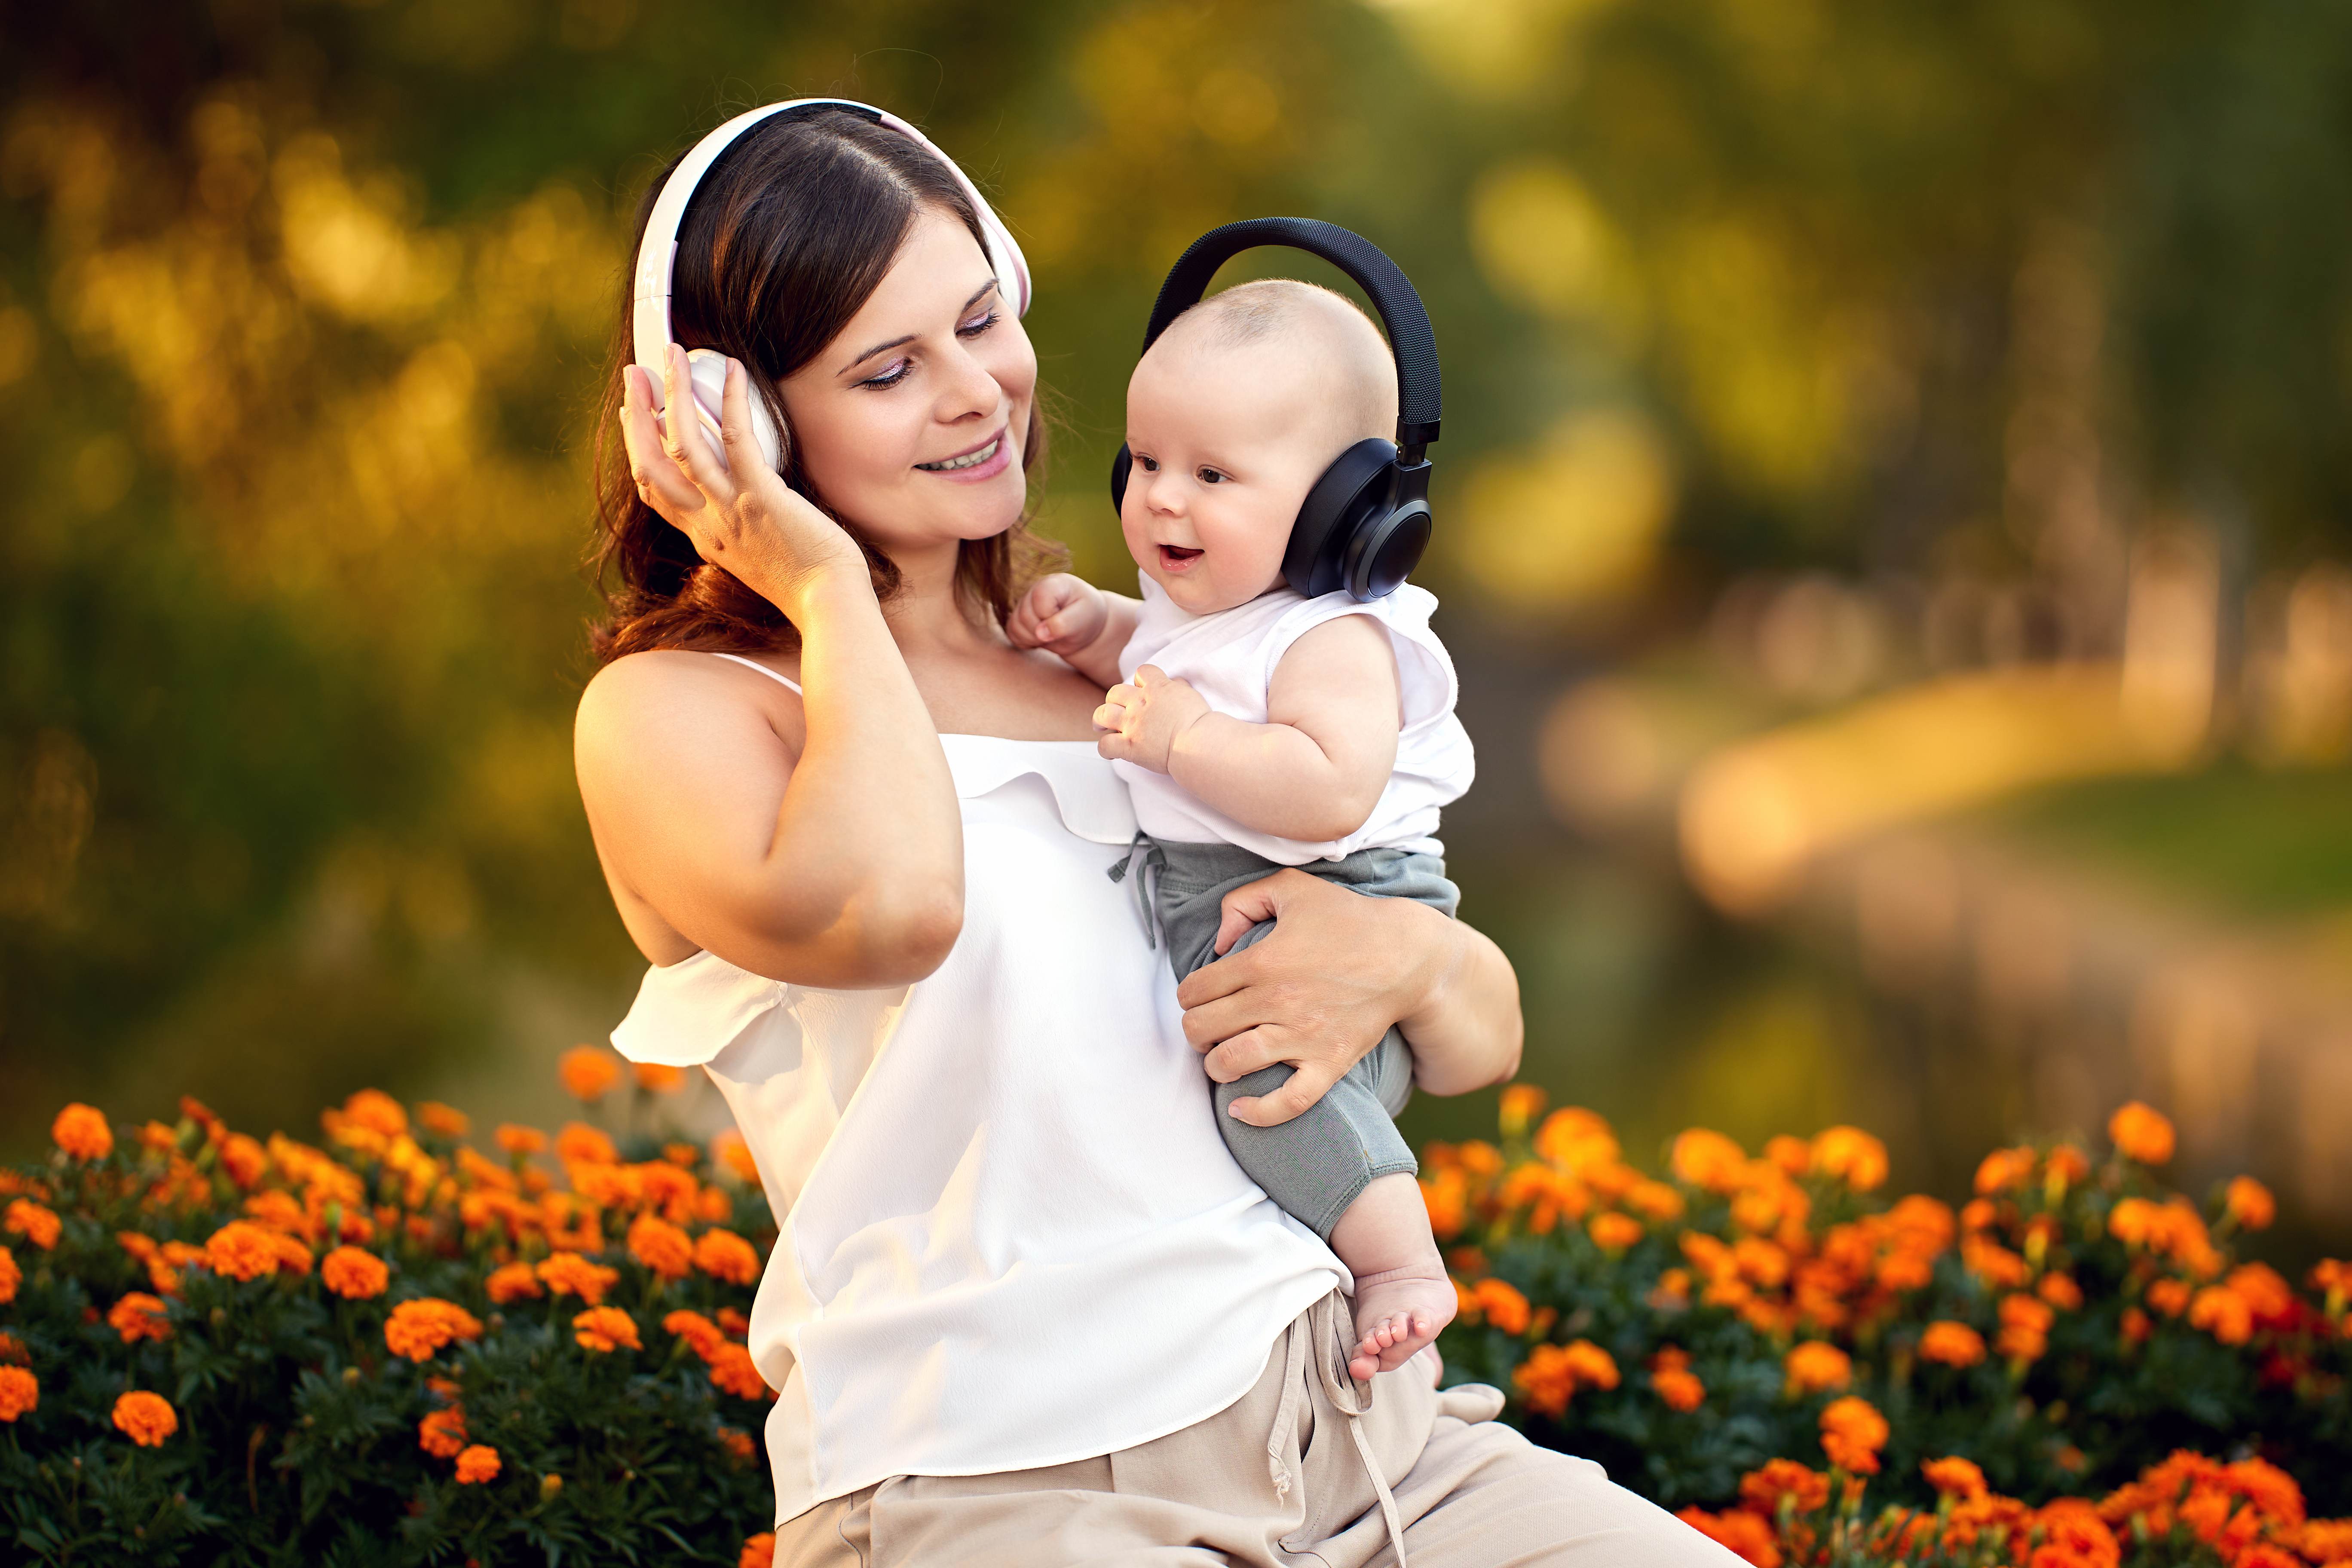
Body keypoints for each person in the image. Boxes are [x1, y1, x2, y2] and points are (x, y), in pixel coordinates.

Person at [582, 101, 1742, 1567]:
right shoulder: (679, 713)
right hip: (1004, 1492)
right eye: (887, 369)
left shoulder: (1144, 654)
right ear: (735, 419)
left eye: (980, 319)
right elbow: (893, 907)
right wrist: (817, 588)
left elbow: (1478, 1026)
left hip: (1364, 1446)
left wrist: (1397, 951)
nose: (975, 393)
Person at [1009, 279, 1468, 1384]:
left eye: (1212, 475)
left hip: (1337, 891)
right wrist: (1096, 631)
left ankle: (1402, 1265)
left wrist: (1184, 742)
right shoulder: (1214, 608)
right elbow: (1170, 659)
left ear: (1340, 507)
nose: (1164, 502)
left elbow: (1325, 788)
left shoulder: (1335, 638)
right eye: (1148, 461)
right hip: (1230, 890)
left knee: (1265, 1095)